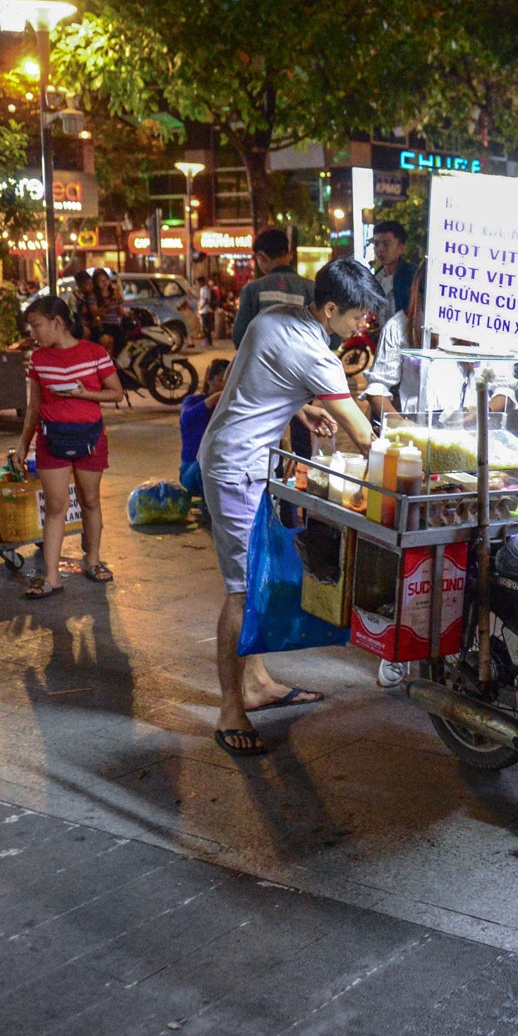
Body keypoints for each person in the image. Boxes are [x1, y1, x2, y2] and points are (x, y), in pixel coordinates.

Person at [199, 258, 386, 756]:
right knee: (241, 592)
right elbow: (365, 435)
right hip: (238, 467)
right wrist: (416, 460)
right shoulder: (316, 355)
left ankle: (257, 684)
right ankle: (229, 711)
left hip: (234, 455)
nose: (362, 326)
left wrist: (298, 404)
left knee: (254, 578)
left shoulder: (274, 318)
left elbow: (258, 375)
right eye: (358, 317)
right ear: (328, 308)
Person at [16, 296, 124, 600]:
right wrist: (23, 444)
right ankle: (51, 576)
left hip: (89, 436)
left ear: (57, 322)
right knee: (55, 506)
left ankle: (92, 561)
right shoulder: (38, 359)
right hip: (52, 439)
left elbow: (116, 393)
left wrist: (83, 393)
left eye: (36, 326)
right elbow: (34, 404)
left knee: (90, 500)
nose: (33, 333)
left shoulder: (95, 353)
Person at [360, 261, 428, 423]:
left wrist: (483, 411)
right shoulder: (398, 326)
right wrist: (401, 424)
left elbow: (500, 386)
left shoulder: (482, 329)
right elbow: (377, 387)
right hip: (416, 429)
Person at [231, 228, 316, 348]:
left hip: (263, 363)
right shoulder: (310, 288)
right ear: (289, 255)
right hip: (301, 363)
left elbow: (239, 338)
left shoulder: (252, 290)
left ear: (261, 257)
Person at [179, 358, 233, 515]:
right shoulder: (192, 401)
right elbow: (187, 418)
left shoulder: (230, 407)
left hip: (220, 468)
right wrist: (214, 399)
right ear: (209, 379)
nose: (226, 385)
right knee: (207, 462)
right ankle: (210, 508)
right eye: (222, 380)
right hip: (191, 470)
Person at [370, 220, 416, 319]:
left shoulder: (412, 278)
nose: (380, 249)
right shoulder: (375, 279)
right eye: (376, 244)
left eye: (386, 244)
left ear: (401, 248)